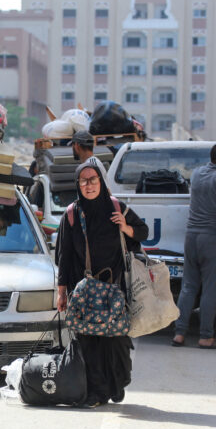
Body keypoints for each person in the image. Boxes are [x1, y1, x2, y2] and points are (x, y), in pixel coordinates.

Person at [56, 161, 148, 408]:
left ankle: (117, 384)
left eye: (93, 179)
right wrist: (61, 292)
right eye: (83, 181)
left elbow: (143, 232)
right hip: (84, 291)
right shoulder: (72, 214)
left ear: (101, 182)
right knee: (89, 343)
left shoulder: (116, 207)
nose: (89, 185)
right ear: (77, 185)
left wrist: (126, 227)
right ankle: (95, 393)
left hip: (115, 289)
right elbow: (63, 256)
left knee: (116, 341)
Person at [172, 143, 216, 349]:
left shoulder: (198, 174)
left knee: (189, 286)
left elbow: (212, 184)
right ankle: (206, 336)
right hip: (212, 239)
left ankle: (179, 334)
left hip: (192, 237)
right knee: (211, 288)